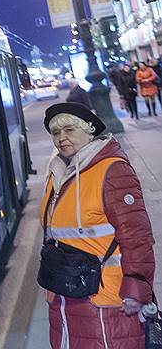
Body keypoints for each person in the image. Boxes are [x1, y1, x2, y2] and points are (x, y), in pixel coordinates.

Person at [41, 103, 155, 348]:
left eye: (70, 130)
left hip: (105, 297)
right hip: (65, 293)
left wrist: (136, 288)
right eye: (56, 133)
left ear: (89, 131)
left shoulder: (112, 170)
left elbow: (137, 236)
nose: (62, 138)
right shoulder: (59, 173)